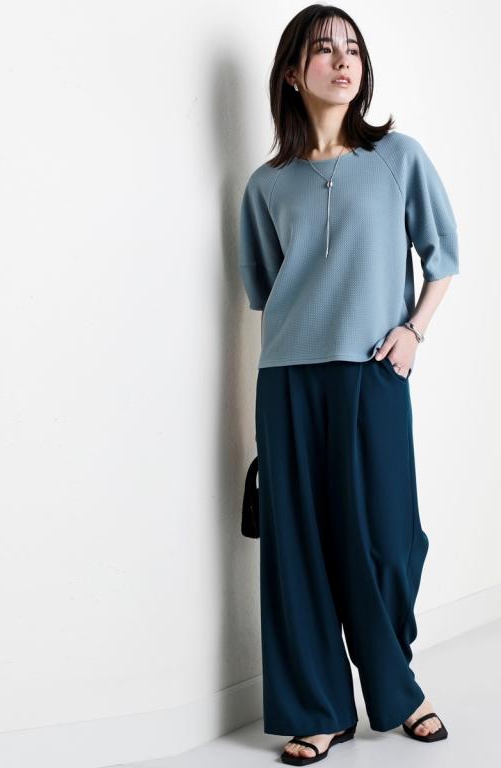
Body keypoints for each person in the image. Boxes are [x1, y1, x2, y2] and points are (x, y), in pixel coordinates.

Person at [238, 5, 458, 765]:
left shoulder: (398, 157)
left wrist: (414, 330)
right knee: (298, 546)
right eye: (324, 49)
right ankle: (319, 710)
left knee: (390, 541)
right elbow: (270, 289)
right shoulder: (266, 186)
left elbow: (442, 256)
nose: (342, 61)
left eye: (353, 50)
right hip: (288, 379)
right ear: (292, 73)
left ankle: (395, 687)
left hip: (374, 369)